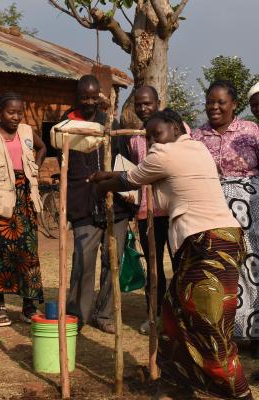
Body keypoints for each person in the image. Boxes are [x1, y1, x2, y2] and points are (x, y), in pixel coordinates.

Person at [89, 109, 252, 400]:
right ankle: (178, 384)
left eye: (157, 133)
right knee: (173, 312)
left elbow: (129, 180)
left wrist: (101, 184)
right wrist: (113, 176)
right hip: (216, 240)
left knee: (209, 325)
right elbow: (152, 186)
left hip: (210, 243)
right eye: (148, 136)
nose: (153, 141)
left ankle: (238, 394)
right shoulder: (196, 148)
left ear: (177, 127)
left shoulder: (165, 154)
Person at [62, 74, 134, 334]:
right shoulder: (66, 126)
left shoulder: (111, 125)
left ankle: (104, 315)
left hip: (114, 204)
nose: (89, 102)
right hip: (83, 205)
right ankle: (76, 316)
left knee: (112, 262)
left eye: (94, 97)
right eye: (85, 97)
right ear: (77, 97)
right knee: (83, 261)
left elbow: (124, 163)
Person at [192, 80, 259, 359]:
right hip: (210, 208)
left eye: (221, 102)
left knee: (251, 267)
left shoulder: (251, 131)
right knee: (218, 268)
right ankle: (223, 333)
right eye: (210, 102)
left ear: (234, 105)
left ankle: (254, 333)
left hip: (250, 208)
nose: (215, 107)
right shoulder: (197, 136)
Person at [0, 92, 46, 327]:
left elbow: (42, 147)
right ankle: (0, 307)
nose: (15, 117)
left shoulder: (25, 132)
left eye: (19, 112)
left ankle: (28, 307)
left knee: (28, 254)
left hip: (25, 202)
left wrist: (34, 168)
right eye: (10, 112)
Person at [129, 86, 177, 335]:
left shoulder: (174, 131)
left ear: (158, 103)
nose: (143, 108)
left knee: (180, 265)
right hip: (147, 213)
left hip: (173, 210)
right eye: (139, 104)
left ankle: (179, 318)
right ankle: (154, 315)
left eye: (148, 103)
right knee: (153, 267)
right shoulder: (134, 137)